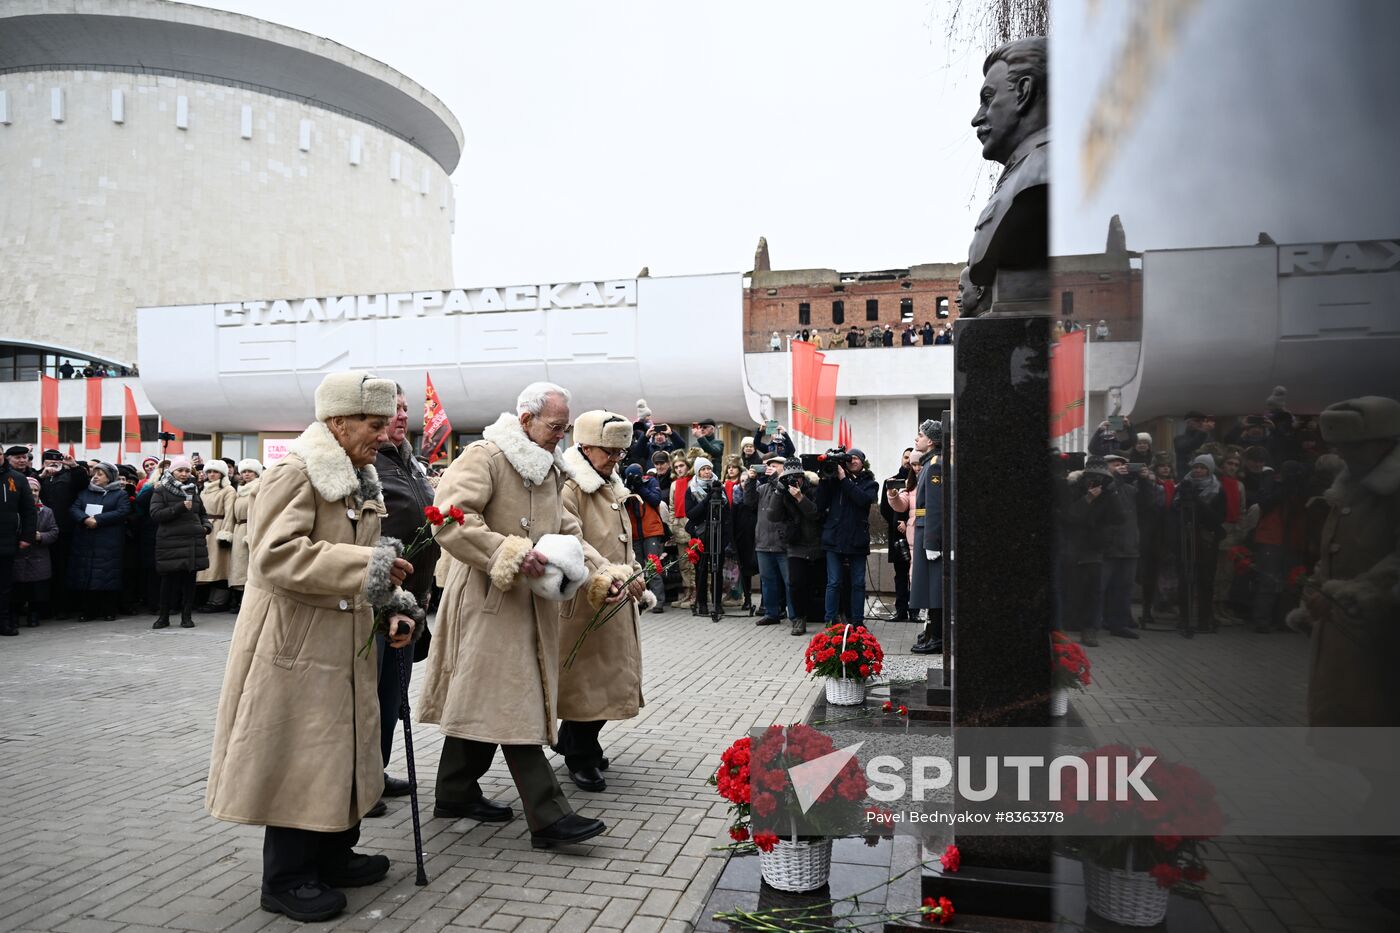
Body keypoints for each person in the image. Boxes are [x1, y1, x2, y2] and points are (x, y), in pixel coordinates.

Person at [206, 371, 422, 923]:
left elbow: (370, 564)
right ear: (338, 421)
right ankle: (285, 879)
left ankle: (333, 852)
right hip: (296, 644)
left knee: (342, 749)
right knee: (299, 754)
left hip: (346, 638)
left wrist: (393, 604)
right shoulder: (296, 473)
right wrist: (368, 569)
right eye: (374, 425)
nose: (385, 434)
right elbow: (275, 555)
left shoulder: (357, 474)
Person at [417, 381, 608, 850]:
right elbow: (447, 515)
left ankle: (455, 792)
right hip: (486, 602)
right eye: (555, 427)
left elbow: (568, 531)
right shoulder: (484, 456)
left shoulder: (548, 468)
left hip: (531, 604)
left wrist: (605, 572)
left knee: (486, 697)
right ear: (525, 420)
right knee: (512, 700)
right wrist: (506, 552)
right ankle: (549, 816)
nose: (560, 437)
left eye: (565, 429)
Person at [1285, 396, 1400, 730]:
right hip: (1350, 632)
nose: (1342, 454)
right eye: (1337, 446)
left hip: (1384, 634)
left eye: (1352, 446)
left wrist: (1352, 593)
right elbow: (1335, 550)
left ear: (1384, 442)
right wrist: (1318, 589)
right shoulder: (1350, 486)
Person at [556, 410, 653, 793]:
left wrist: (635, 569)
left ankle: (578, 742)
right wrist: (610, 571)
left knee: (610, 680)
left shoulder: (607, 480)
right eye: (609, 451)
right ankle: (578, 754)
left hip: (616, 592)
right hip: (587, 597)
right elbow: (573, 538)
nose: (616, 459)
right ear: (585, 446)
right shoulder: (569, 485)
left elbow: (621, 537)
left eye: (620, 452)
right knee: (587, 683)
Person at [368, 387, 441, 817]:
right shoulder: (368, 462)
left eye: (404, 408)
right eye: (391, 410)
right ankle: (359, 783)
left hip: (412, 600)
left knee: (393, 696)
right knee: (370, 697)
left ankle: (375, 772)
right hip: (377, 598)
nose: (400, 416)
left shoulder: (409, 462)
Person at [1060, 457, 1122, 647]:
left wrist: (1112, 493)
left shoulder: (1109, 493)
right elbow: (1069, 516)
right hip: (1073, 546)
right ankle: (1069, 624)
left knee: (1094, 590)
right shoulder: (1072, 490)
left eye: (1100, 477)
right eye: (1092, 477)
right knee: (1072, 586)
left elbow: (1119, 518)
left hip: (1095, 547)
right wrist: (1087, 499)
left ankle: (1089, 628)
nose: (1095, 481)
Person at [815, 448, 879, 626]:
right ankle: (830, 621)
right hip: (834, 538)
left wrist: (844, 479)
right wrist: (824, 480)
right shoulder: (833, 480)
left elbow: (863, 501)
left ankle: (857, 622)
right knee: (833, 582)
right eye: (850, 458)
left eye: (857, 458)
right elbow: (819, 504)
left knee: (858, 583)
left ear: (863, 462)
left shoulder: (870, 483)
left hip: (857, 539)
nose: (853, 461)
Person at [149, 457, 211, 629]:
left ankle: (186, 616)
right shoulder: (161, 490)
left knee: (189, 582)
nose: (184, 474)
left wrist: (206, 526)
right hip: (171, 542)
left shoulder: (193, 490)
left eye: (186, 471)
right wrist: (180, 507)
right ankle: (163, 617)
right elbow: (156, 514)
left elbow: (202, 514)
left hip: (192, 541)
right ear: (172, 472)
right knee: (168, 582)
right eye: (180, 470)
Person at [65, 462, 129, 622]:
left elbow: (122, 511)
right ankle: (88, 611)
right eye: (94, 474)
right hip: (86, 541)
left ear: (110, 477)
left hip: (109, 542)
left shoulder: (120, 494)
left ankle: (108, 610)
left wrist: (98, 520)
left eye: (100, 474)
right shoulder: (85, 492)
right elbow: (74, 508)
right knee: (87, 576)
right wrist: (85, 519)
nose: (95, 477)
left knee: (108, 576)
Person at [901, 421, 944, 652]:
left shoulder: (935, 464)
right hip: (924, 529)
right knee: (928, 587)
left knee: (934, 588)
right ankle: (932, 633)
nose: (916, 439)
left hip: (929, 532)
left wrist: (932, 541)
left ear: (931, 441)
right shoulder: (929, 463)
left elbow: (935, 507)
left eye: (920, 435)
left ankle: (938, 637)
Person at [1173, 454, 1227, 637]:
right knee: (1184, 579)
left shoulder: (1218, 490)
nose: (1198, 470)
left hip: (1206, 541)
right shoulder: (1182, 486)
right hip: (1185, 539)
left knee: (1205, 580)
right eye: (1195, 466)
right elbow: (1173, 512)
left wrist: (1199, 502)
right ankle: (1184, 618)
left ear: (1209, 469)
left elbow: (1217, 519)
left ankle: (1204, 619)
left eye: (1202, 467)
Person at [1097, 454, 1149, 640]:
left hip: (1129, 545)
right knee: (1100, 587)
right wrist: (1116, 477)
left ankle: (1118, 624)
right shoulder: (1100, 485)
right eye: (1115, 464)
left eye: (1123, 465)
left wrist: (1144, 481)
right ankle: (1093, 622)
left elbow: (1147, 503)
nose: (1120, 467)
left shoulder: (1130, 488)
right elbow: (1108, 495)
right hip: (1108, 546)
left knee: (1124, 588)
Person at [770, 459, 823, 636]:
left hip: (816, 543)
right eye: (790, 478)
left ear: (802, 477)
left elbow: (815, 514)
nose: (794, 481)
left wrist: (800, 497)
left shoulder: (813, 490)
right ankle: (799, 618)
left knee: (819, 582)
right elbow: (773, 516)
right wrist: (778, 491)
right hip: (795, 545)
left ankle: (830, 616)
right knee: (796, 583)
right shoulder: (783, 493)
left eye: (797, 477)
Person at [39, 449, 88, 618]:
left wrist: (74, 467)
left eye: (57, 461)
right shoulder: (41, 477)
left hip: (65, 530)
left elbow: (83, 483)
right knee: (44, 571)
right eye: (49, 461)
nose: (53, 464)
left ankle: (63, 607)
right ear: (43, 462)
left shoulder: (69, 477)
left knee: (63, 569)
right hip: (43, 532)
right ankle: (44, 607)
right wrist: (41, 477)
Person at [685, 457, 732, 618]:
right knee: (701, 570)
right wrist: (707, 500)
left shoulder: (719, 487)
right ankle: (702, 604)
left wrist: (726, 536)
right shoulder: (692, 489)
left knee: (717, 569)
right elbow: (690, 514)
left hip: (718, 535)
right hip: (700, 536)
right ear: (698, 471)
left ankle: (717, 604)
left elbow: (727, 513)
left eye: (708, 468)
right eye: (703, 469)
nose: (707, 472)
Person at [749, 454, 791, 626]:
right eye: (768, 465)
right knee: (768, 581)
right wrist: (751, 481)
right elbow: (748, 501)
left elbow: (784, 500)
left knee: (790, 582)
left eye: (774, 465)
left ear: (784, 468)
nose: (770, 468)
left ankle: (795, 616)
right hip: (763, 542)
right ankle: (771, 613)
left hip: (782, 543)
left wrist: (776, 479)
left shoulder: (788, 486)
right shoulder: (763, 487)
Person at [11, 476, 57, 628]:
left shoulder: (47, 511)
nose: (34, 493)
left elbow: (54, 531)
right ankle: (14, 616)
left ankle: (34, 616)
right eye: (30, 490)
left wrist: (41, 536)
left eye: (36, 490)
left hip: (39, 558)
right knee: (17, 591)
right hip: (18, 556)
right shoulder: (13, 510)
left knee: (37, 592)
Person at [621, 463, 667, 613]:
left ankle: (659, 602)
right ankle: (639, 600)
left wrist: (640, 487)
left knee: (653, 565)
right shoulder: (625, 487)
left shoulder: (651, 481)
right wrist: (629, 488)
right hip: (634, 533)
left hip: (651, 530)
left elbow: (655, 500)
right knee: (637, 569)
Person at [1, 462, 38, 636]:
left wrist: (27, 536)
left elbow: (28, 510)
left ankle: (4, 622)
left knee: (4, 586)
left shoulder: (17, 478)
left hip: (6, 541)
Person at [879, 448, 914, 622]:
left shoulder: (917, 481)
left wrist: (907, 522)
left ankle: (914, 611)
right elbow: (884, 508)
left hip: (914, 533)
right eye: (905, 457)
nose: (907, 461)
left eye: (911, 457)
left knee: (915, 574)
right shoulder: (890, 481)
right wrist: (896, 522)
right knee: (900, 575)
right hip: (897, 537)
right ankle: (901, 611)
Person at [196, 459, 236, 612]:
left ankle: (219, 602)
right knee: (206, 567)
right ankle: (207, 600)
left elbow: (230, 513)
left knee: (220, 567)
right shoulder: (204, 489)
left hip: (218, 528)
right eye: (209, 472)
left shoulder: (228, 490)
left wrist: (225, 533)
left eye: (215, 472)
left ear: (222, 473)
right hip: (204, 528)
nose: (212, 475)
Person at [227, 459, 265, 616]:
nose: (246, 474)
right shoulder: (239, 490)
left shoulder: (260, 488)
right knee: (238, 567)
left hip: (252, 528)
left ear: (256, 473)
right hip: (239, 529)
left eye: (250, 471)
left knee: (250, 566)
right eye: (244, 471)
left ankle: (250, 601)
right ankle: (239, 599)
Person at [726, 462, 757, 612]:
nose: (745, 483)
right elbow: (732, 522)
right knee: (745, 572)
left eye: (747, 480)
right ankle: (747, 599)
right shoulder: (736, 500)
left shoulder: (756, 498)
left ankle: (764, 602)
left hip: (756, 539)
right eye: (743, 481)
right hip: (741, 540)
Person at [667, 455, 695, 607]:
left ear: (687, 466)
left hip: (691, 524)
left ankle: (696, 592)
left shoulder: (693, 481)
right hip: (678, 526)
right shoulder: (674, 485)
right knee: (683, 562)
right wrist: (672, 526)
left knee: (693, 561)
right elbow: (671, 507)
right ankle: (687, 592)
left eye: (681, 466)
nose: (679, 469)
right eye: (676, 467)